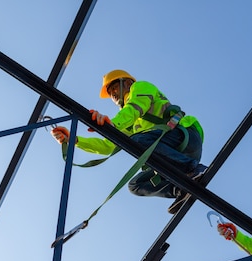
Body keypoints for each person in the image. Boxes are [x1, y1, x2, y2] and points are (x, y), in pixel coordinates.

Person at [50, 69, 206, 214]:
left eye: (115, 88)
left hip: (185, 138)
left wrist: (111, 124)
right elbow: (108, 146)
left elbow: (134, 108)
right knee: (135, 185)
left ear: (127, 83)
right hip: (171, 152)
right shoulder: (129, 122)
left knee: (137, 141)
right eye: (110, 93)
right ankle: (181, 189)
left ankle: (193, 170)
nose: (113, 95)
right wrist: (75, 140)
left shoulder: (140, 87)